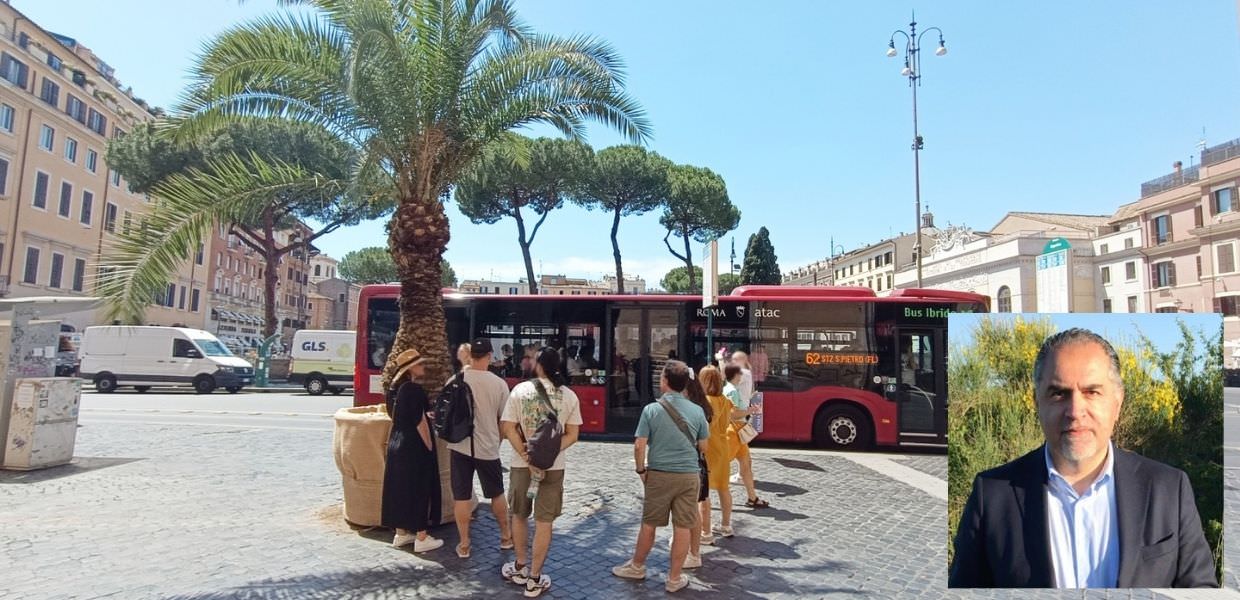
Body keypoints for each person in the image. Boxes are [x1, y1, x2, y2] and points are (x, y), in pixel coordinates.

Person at [948, 328, 1217, 588]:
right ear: (1036, 402)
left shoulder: (1169, 488)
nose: (1075, 411)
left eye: (1092, 392)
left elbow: (1199, 588)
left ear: (1117, 402)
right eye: (1058, 393)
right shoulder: (992, 494)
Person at [613, 360, 709, 593]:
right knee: (683, 526)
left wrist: (641, 470)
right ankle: (674, 579)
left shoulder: (651, 410)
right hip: (688, 476)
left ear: (664, 381)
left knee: (649, 524)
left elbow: (639, 445)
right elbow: (704, 446)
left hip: (659, 474)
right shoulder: (697, 411)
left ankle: (637, 566)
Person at [499, 347, 582, 598]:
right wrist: (550, 452)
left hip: (521, 464)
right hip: (553, 467)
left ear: (539, 365)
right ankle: (535, 578)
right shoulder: (568, 395)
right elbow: (573, 435)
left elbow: (507, 428)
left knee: (520, 515)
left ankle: (520, 565)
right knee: (545, 522)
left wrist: (526, 454)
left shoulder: (520, 391)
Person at [449, 338, 513, 559]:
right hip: (488, 448)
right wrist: (498, 441)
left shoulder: (456, 379)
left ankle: (464, 543)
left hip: (459, 446)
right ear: (488, 356)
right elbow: (505, 422)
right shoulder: (498, 384)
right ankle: (505, 537)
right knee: (497, 493)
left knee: (461, 496)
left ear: (471, 356)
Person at [381, 348, 444, 553]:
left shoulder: (394, 390)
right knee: (419, 489)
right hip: (413, 446)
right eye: (419, 364)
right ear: (410, 369)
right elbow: (420, 423)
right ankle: (422, 537)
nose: (423, 366)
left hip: (396, 443)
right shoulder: (414, 390)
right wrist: (428, 448)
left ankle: (401, 533)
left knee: (399, 489)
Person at [701, 365, 760, 539]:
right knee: (723, 488)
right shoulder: (724, 400)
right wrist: (750, 411)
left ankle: (706, 530)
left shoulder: (705, 402)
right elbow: (734, 415)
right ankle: (726, 525)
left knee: (703, 492)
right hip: (722, 445)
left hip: (708, 447)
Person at [723, 364, 769, 508]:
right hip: (735, 430)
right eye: (740, 374)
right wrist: (751, 410)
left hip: (738, 430)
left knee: (746, 464)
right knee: (722, 463)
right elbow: (733, 414)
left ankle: (752, 497)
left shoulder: (730, 389)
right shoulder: (732, 391)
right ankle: (703, 495)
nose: (742, 376)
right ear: (736, 376)